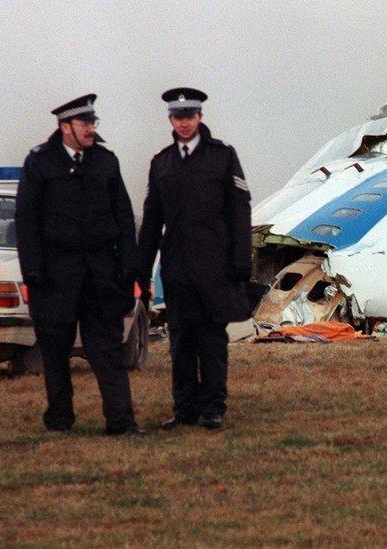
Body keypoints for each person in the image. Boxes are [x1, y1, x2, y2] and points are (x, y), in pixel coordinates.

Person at [15, 94, 142, 435]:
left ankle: (121, 421)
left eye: (93, 123)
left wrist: (129, 266)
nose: (91, 129)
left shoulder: (105, 161)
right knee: (55, 352)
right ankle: (59, 419)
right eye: (85, 123)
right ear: (65, 126)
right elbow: (26, 221)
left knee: (108, 351)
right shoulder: (40, 163)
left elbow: (123, 216)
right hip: (55, 276)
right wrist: (33, 271)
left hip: (102, 275)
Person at [138, 87, 252, 431]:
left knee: (211, 341)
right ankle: (184, 409)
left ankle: (213, 408)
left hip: (215, 268)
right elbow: (152, 219)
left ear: (200, 117)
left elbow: (239, 210)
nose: (184, 123)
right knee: (181, 341)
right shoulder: (162, 163)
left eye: (189, 116)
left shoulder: (223, 156)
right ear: (170, 120)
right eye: (177, 117)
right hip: (177, 271)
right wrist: (141, 270)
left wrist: (240, 261)